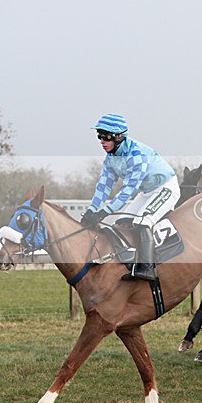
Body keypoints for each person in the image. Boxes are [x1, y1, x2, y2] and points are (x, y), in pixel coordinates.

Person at [80, 113, 180, 281]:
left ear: (119, 136)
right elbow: (103, 187)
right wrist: (92, 210)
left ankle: (147, 268)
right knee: (122, 222)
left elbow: (128, 190)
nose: (101, 141)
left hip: (166, 187)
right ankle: (131, 264)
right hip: (147, 192)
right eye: (99, 136)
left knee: (142, 222)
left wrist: (104, 212)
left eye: (105, 136)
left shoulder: (137, 154)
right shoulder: (111, 158)